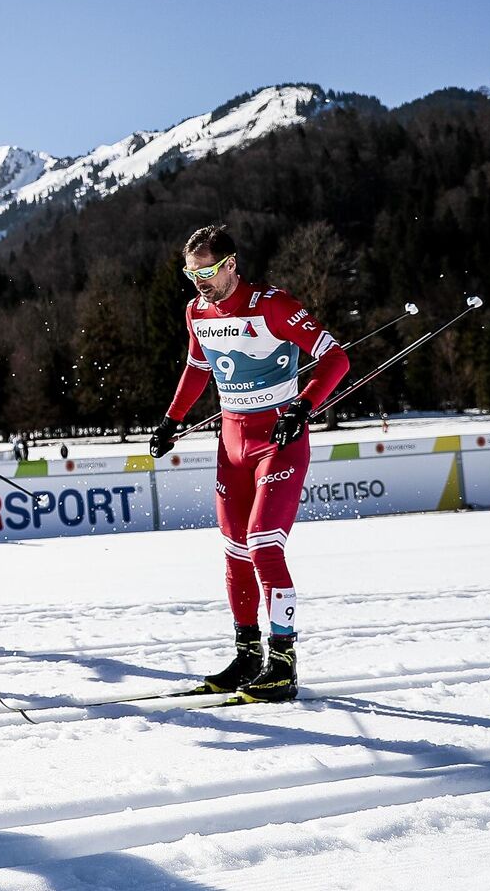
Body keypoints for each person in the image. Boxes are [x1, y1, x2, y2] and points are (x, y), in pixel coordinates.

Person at [148, 225, 350, 702]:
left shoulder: (272, 305)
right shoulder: (196, 311)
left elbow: (335, 359)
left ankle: (283, 664)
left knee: (263, 544)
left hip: (277, 440)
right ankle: (248, 656)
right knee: (235, 552)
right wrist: (170, 421)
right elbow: (198, 369)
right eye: (191, 272)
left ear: (232, 264)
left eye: (210, 271)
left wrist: (303, 406)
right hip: (231, 444)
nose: (200, 281)